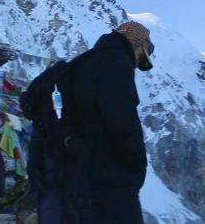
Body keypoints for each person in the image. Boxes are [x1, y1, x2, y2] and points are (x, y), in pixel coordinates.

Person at [64, 21, 153, 224]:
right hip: (111, 175)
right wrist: (136, 163)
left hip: (80, 170)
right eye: (143, 52)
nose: (139, 61)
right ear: (138, 43)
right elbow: (121, 119)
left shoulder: (83, 62)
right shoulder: (117, 63)